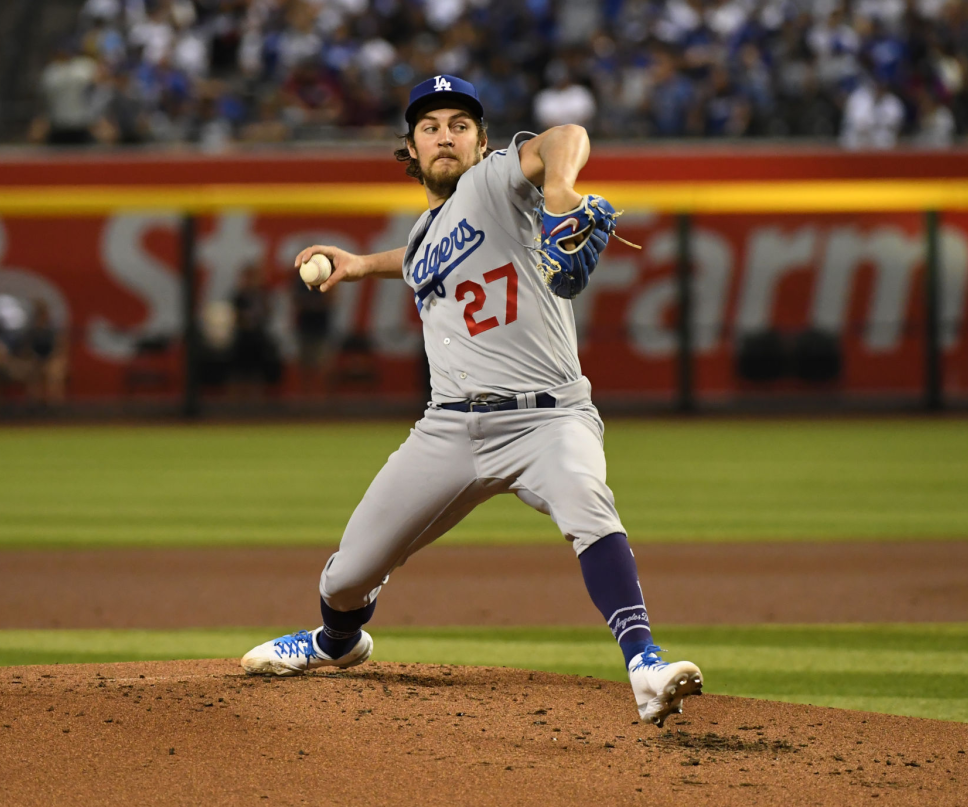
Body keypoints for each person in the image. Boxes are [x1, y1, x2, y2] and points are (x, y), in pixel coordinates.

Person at [240, 75, 702, 727]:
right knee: (346, 578)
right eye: (431, 127)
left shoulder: (493, 184)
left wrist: (562, 193)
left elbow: (566, 135)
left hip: (547, 417)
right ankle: (336, 643)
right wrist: (359, 262)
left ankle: (645, 663)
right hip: (449, 430)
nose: (446, 135)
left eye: (460, 124)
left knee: (587, 503)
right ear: (411, 148)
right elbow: (421, 257)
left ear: (482, 142)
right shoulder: (429, 234)